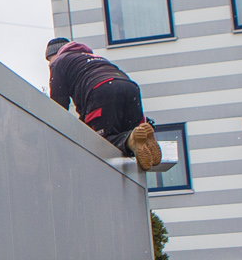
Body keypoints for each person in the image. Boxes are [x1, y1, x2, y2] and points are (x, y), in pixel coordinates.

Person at [46, 37, 162, 171]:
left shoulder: (59, 63)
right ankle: (140, 139)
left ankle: (130, 139)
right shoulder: (95, 59)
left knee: (99, 142)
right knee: (132, 135)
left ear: (56, 55)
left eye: (49, 61)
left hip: (101, 90)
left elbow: (58, 106)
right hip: (130, 87)